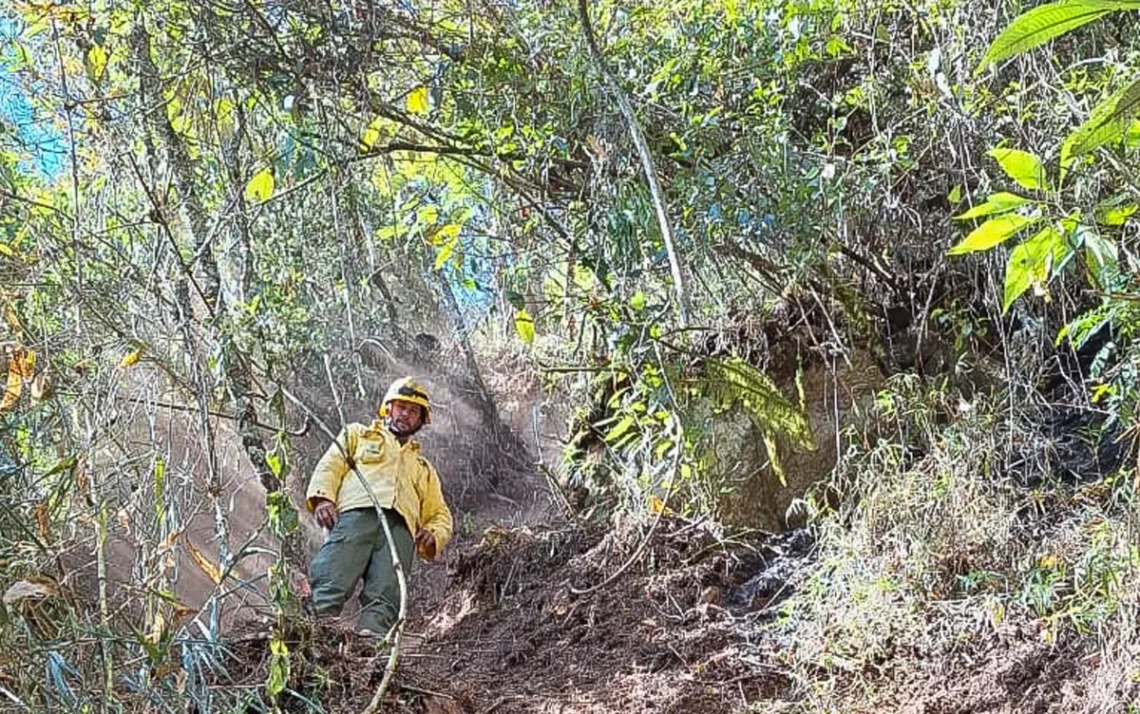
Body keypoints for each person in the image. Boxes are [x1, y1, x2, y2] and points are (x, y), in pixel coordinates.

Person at [305, 377, 453, 637]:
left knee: (386, 594)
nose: (405, 414)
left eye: (413, 411)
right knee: (332, 575)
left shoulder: (423, 469)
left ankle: (368, 652)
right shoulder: (357, 435)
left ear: (420, 421)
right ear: (388, 408)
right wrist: (323, 498)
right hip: (356, 516)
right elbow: (331, 465)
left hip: (400, 534)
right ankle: (314, 637)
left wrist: (433, 534)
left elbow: (440, 514)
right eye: (401, 407)